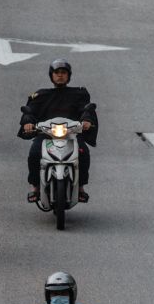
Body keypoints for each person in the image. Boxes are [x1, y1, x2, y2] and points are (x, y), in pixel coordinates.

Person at [19, 59, 98, 204]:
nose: (60, 76)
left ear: (69, 76)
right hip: (46, 135)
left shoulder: (79, 93)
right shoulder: (41, 95)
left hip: (71, 134)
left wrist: (87, 120)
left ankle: (80, 187)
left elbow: (86, 108)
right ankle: (35, 187)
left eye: (63, 73)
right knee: (35, 153)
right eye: (57, 73)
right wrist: (28, 122)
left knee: (83, 153)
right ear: (51, 75)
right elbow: (30, 111)